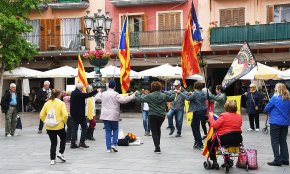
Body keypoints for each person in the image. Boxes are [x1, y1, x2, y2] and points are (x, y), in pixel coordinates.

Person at [95, 80, 136, 153]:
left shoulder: (103, 94)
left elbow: (97, 98)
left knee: (107, 131)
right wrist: (133, 95)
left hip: (105, 115)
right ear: (114, 86)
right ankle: (114, 144)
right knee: (115, 129)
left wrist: (99, 91)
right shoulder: (116, 94)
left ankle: (108, 148)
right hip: (113, 114)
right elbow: (124, 100)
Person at [136, 81, 174, 154]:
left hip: (152, 115)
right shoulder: (164, 95)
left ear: (152, 88)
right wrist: (172, 92)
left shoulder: (150, 95)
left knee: (154, 131)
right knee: (158, 129)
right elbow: (171, 98)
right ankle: (158, 144)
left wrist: (137, 93)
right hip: (161, 116)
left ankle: (157, 148)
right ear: (160, 87)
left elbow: (140, 99)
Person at [206, 100, 243, 169]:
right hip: (237, 138)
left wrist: (211, 117)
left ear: (226, 107)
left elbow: (214, 125)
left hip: (225, 138)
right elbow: (239, 125)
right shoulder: (239, 116)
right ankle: (227, 160)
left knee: (210, 142)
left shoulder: (224, 116)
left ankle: (214, 162)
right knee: (227, 144)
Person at [264, 83, 290, 166]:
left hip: (275, 122)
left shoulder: (275, 97)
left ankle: (277, 160)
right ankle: (285, 159)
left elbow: (266, 108)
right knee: (283, 141)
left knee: (274, 141)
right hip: (285, 122)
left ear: (278, 89)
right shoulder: (288, 98)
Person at [40, 89, 68, 165]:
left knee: (53, 143)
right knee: (63, 138)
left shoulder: (47, 103)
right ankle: (61, 152)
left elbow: (41, 115)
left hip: (49, 126)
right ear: (59, 95)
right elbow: (65, 115)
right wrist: (63, 121)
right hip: (59, 125)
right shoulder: (61, 103)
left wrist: (46, 121)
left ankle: (52, 159)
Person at [178, 81, 207, 150]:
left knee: (195, 127)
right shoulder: (204, 93)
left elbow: (188, 98)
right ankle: (197, 142)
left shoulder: (195, 93)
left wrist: (180, 93)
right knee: (194, 125)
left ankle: (200, 144)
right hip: (203, 111)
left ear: (195, 87)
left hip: (197, 111)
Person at [70, 83, 98, 149]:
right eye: (82, 88)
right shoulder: (79, 94)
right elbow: (88, 95)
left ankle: (73, 143)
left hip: (73, 114)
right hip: (80, 114)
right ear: (80, 88)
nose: (83, 89)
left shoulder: (73, 93)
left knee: (74, 128)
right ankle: (82, 142)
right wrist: (96, 91)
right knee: (84, 127)